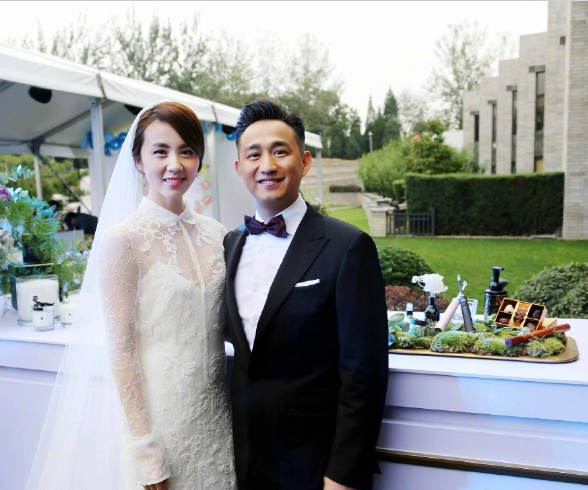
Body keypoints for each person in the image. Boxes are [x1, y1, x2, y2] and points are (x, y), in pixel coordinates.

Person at [25, 101, 236, 490]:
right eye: (160, 151)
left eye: (187, 151)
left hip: (218, 417)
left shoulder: (217, 233)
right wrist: (145, 448)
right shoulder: (123, 240)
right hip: (162, 425)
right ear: (138, 160)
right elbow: (121, 349)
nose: (175, 164)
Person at [224, 98, 389, 490]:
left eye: (280, 151)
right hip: (243, 463)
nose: (267, 165)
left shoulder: (348, 247)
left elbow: (364, 373)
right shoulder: (230, 244)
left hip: (314, 468)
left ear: (305, 160)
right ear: (239, 168)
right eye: (254, 154)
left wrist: (343, 475)